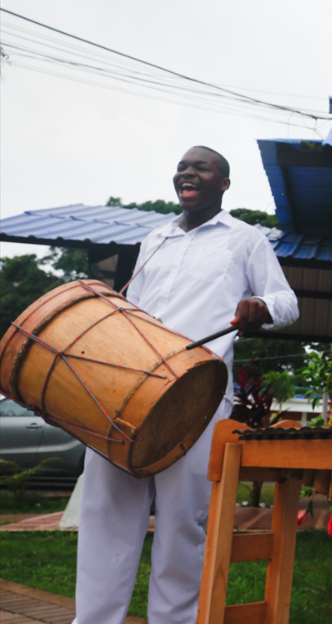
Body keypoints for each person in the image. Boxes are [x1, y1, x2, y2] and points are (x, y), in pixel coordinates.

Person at [73, 146, 299, 624]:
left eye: (202, 167)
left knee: (183, 525)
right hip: (127, 391)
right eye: (182, 166)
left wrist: (262, 306)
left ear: (224, 184)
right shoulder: (155, 237)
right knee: (104, 513)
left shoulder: (245, 240)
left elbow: (287, 302)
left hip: (197, 396)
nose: (187, 172)